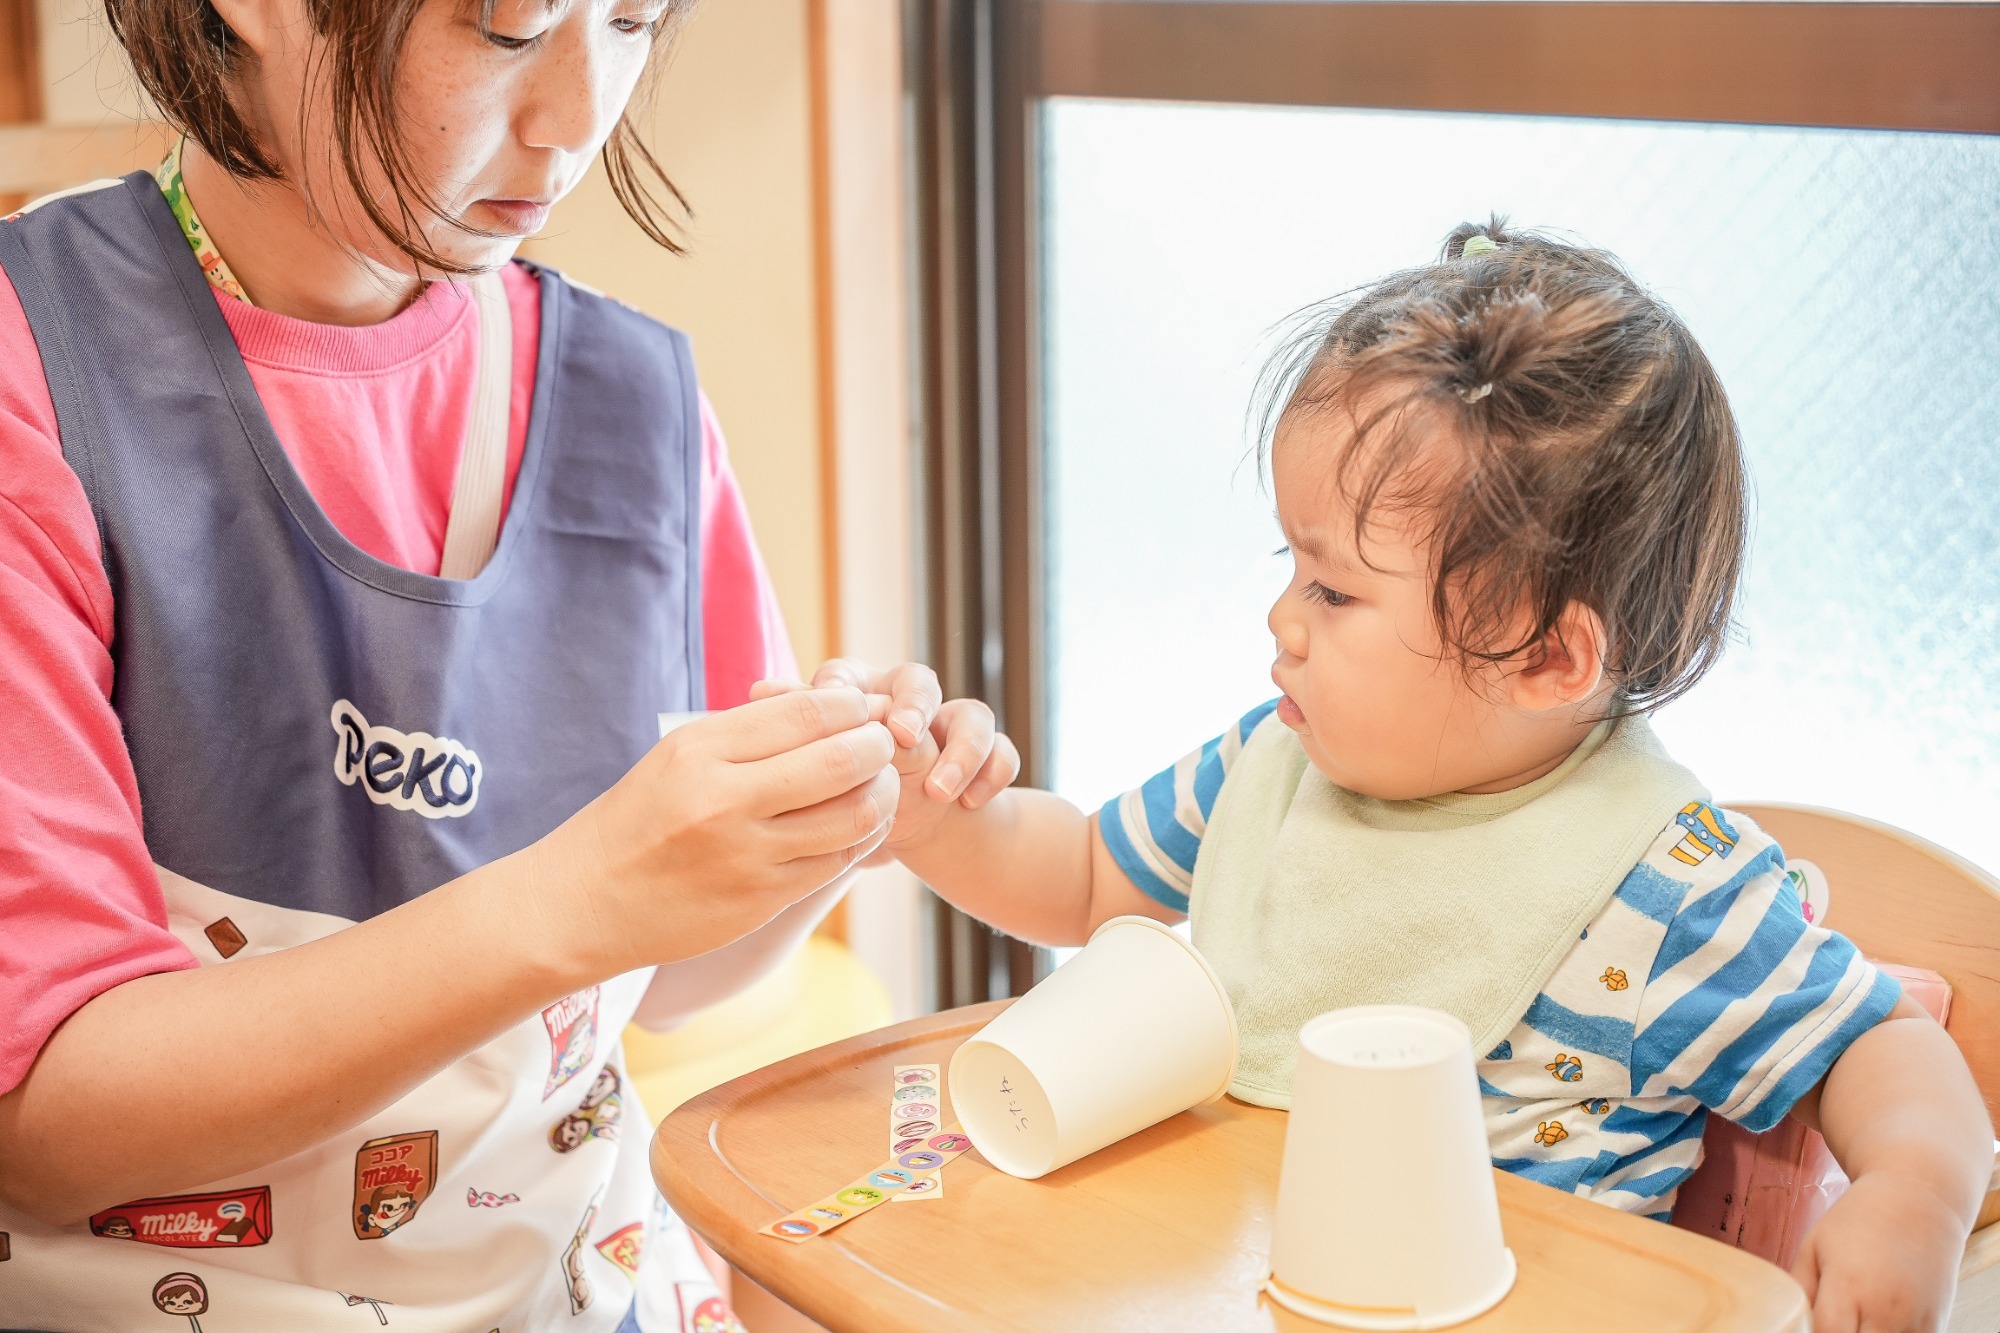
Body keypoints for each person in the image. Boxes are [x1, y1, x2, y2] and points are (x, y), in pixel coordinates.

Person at [0, 0, 1006, 1327]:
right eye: (508, 27)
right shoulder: (42, 370)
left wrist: (833, 838)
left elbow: (658, 982)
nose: (580, 118)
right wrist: (571, 899)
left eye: (637, 20)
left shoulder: (636, 402)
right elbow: (49, 1120)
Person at [880, 222, 1994, 1331]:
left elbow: (1875, 1043)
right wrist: (928, 817)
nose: (1279, 618)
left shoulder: (1662, 890)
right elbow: (1079, 875)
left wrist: (1912, 1196)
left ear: (1545, 656)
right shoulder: (1274, 764)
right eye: (1291, 565)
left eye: (1333, 590)